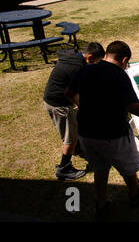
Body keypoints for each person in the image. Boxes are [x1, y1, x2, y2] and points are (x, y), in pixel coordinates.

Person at [65, 40, 139, 220]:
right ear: (124, 60)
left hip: (86, 133)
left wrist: (86, 106)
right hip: (113, 134)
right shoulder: (119, 75)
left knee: (100, 169)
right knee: (128, 168)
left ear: (107, 54)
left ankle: (101, 204)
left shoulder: (85, 69)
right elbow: (133, 107)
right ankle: (134, 195)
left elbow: (68, 93)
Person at [43, 42, 105, 181]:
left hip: (50, 100)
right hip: (60, 104)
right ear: (89, 57)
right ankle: (64, 169)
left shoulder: (74, 57)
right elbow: (70, 93)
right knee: (70, 136)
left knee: (72, 131)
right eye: (97, 61)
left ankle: (77, 149)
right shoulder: (77, 68)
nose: (97, 64)